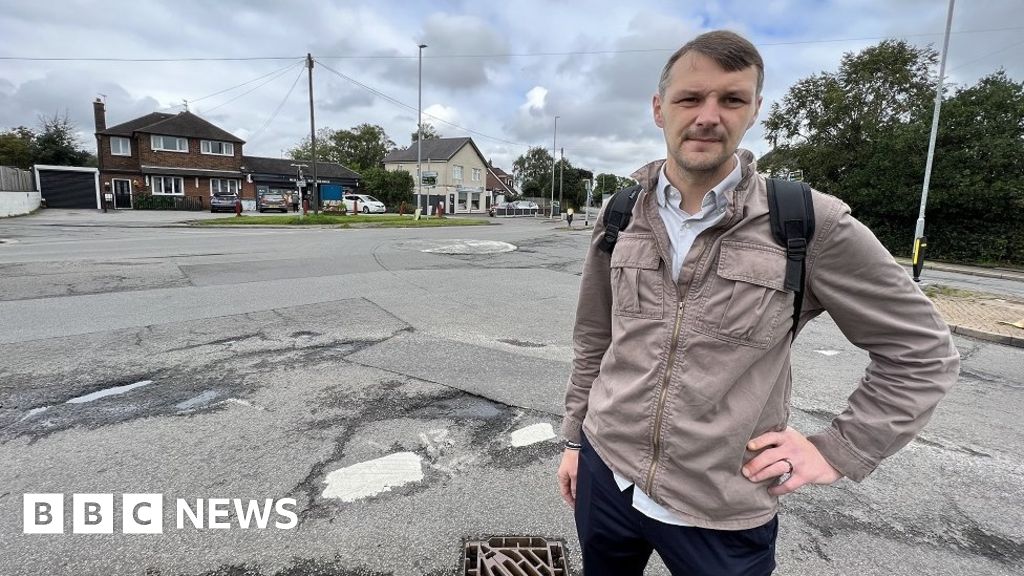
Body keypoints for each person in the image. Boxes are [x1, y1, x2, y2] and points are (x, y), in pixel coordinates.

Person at [556, 30, 959, 576]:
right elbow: (595, 340)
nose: (707, 115)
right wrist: (576, 439)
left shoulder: (808, 222)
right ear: (659, 109)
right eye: (690, 98)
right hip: (607, 477)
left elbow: (922, 350)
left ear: (755, 111)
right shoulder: (622, 213)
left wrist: (838, 450)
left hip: (722, 508)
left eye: (731, 99)